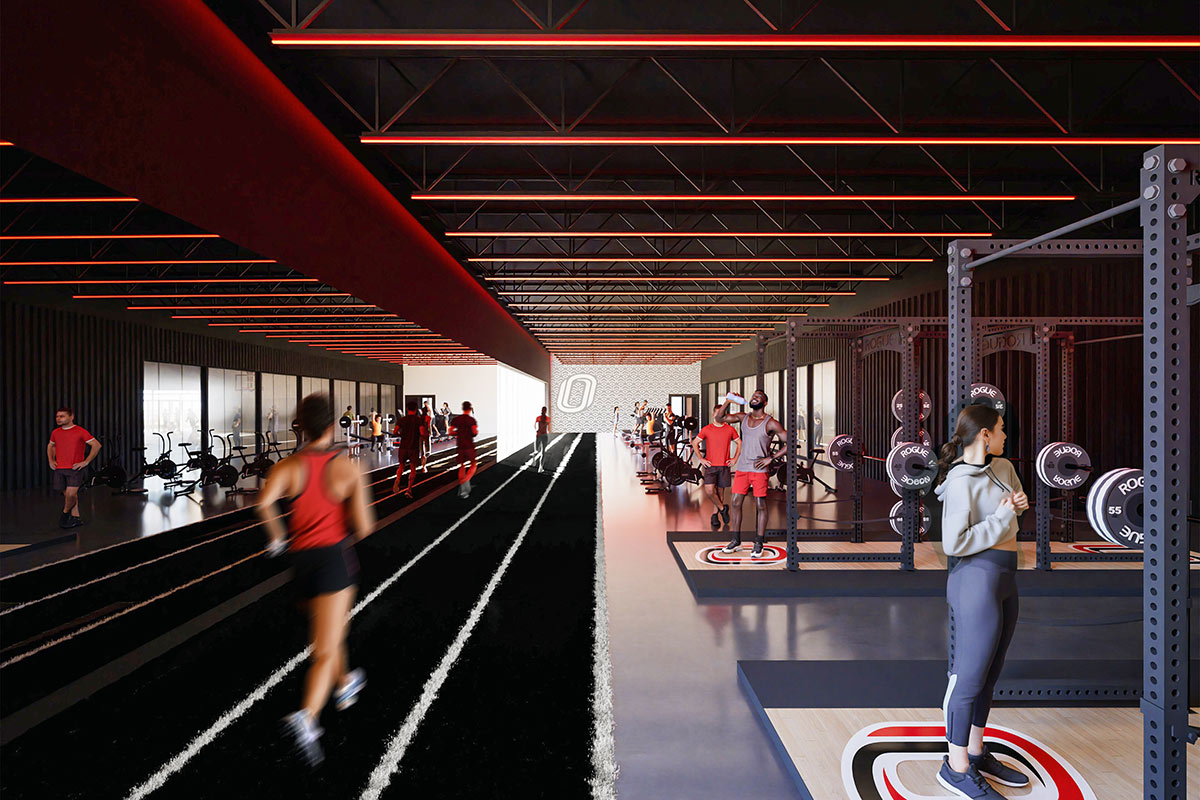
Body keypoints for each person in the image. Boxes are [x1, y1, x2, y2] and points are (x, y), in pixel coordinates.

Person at [257, 393, 374, 768]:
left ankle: (345, 682)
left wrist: (278, 535)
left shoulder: (286, 467)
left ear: (302, 426)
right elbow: (366, 526)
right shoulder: (347, 467)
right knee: (325, 648)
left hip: (299, 561)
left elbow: (264, 503)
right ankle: (307, 717)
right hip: (332, 560)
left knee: (327, 633)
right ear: (331, 425)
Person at [932, 404, 1030, 799]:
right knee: (969, 677)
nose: (1007, 436)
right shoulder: (959, 481)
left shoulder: (1004, 468)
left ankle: (974, 752)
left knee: (990, 674)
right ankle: (954, 768)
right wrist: (1004, 517)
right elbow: (955, 543)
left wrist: (1011, 513)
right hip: (975, 579)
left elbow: (1015, 515)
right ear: (984, 434)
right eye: (1002, 429)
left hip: (1006, 576)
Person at [716, 389, 789, 559]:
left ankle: (759, 542)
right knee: (735, 502)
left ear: (764, 403)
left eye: (759, 397)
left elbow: (791, 442)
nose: (754, 398)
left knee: (760, 504)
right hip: (742, 467)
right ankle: (736, 540)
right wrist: (728, 400)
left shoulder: (771, 423)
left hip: (759, 469)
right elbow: (719, 418)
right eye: (753, 396)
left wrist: (771, 457)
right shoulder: (743, 417)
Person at [47, 407, 101, 529]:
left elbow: (96, 445)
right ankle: (76, 517)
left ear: (71, 417)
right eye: (57, 416)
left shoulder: (80, 431)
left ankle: (65, 514)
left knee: (71, 494)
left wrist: (86, 461)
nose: (58, 419)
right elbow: (51, 446)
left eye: (62, 416)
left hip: (74, 468)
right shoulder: (55, 432)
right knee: (66, 493)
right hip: (59, 468)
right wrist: (51, 460)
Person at [693, 405, 741, 529]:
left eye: (722, 414)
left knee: (720, 492)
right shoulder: (706, 429)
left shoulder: (730, 429)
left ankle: (715, 515)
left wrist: (735, 458)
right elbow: (694, 443)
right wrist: (701, 458)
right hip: (710, 465)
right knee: (709, 491)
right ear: (713, 415)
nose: (719, 416)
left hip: (724, 465)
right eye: (717, 413)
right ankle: (722, 508)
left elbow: (739, 442)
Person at [391, 399, 426, 498]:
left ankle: (397, 479)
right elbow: (423, 433)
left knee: (401, 466)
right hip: (413, 447)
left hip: (403, 447)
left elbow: (395, 432)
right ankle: (409, 489)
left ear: (407, 409)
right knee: (413, 468)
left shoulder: (402, 420)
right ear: (416, 409)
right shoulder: (419, 420)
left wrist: (401, 434)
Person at [449, 401, 479, 498]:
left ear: (463, 408)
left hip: (460, 445)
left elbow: (450, 432)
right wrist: (473, 432)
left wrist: (458, 433)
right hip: (469, 445)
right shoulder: (471, 420)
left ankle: (463, 490)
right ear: (470, 409)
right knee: (473, 465)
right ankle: (465, 480)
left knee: (462, 466)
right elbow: (474, 432)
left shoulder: (457, 419)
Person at [534, 406, 551, 473]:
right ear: (546, 411)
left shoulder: (538, 418)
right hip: (544, 435)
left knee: (536, 450)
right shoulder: (548, 419)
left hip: (538, 435)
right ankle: (540, 467)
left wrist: (537, 431)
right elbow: (549, 429)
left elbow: (535, 426)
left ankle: (534, 460)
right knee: (543, 452)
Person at [420, 402, 433, 473]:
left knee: (422, 451)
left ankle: (423, 466)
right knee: (428, 451)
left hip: (420, 435)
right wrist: (431, 433)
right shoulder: (428, 417)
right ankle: (425, 465)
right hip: (426, 434)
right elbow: (429, 426)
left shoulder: (419, 418)